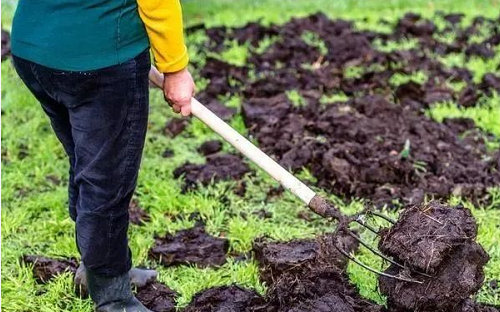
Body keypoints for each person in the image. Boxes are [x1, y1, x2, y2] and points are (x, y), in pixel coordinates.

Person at [10, 0, 194, 310]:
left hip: (35, 51)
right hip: (100, 61)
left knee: (88, 160)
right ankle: (113, 296)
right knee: (106, 180)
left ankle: (98, 267)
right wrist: (174, 68)